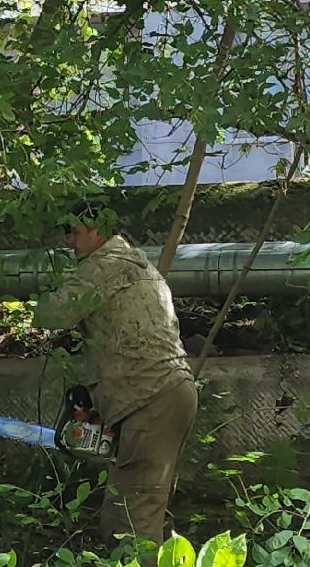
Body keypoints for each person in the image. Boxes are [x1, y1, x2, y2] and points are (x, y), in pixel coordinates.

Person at [33, 199, 198, 546]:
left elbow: (52, 314)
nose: (70, 242)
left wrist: (38, 289)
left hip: (150, 396)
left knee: (132, 519)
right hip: (168, 391)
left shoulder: (102, 266)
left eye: (74, 232)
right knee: (143, 505)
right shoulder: (139, 264)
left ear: (97, 230)